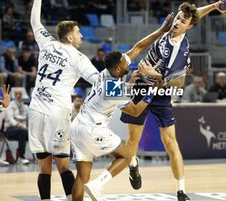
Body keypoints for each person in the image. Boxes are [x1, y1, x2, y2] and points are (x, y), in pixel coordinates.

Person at [120, 1, 226, 201]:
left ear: (189, 27)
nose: (177, 22)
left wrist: (150, 73)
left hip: (160, 91)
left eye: (182, 21)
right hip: (140, 86)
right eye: (178, 18)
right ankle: (133, 164)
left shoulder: (178, 52)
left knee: (171, 143)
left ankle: (181, 191)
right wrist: (215, 5)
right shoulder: (173, 29)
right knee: (133, 139)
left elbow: (175, 83)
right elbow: (195, 14)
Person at [70, 13, 173, 201]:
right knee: (125, 156)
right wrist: (152, 91)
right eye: (126, 63)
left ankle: (91, 185)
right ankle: (98, 184)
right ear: (118, 69)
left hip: (77, 127)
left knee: (81, 177)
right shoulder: (114, 87)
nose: (129, 61)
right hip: (93, 127)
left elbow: (138, 47)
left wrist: (162, 30)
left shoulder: (106, 72)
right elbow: (135, 110)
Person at [26, 0, 100, 201]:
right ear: (69, 37)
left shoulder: (47, 43)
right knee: (64, 167)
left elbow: (35, 23)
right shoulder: (78, 57)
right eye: (78, 33)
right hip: (58, 114)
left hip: (36, 110)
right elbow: (97, 79)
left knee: (44, 168)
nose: (81, 36)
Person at [4, 88, 30, 165]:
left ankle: (42, 157)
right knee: (23, 131)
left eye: (20, 94)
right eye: (17, 94)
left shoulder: (25, 107)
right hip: (10, 130)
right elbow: (10, 119)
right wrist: (18, 125)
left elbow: (30, 120)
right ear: (14, 95)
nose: (18, 95)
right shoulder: (10, 105)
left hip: (24, 130)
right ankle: (21, 157)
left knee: (35, 131)